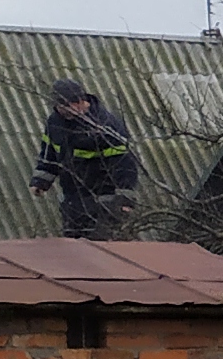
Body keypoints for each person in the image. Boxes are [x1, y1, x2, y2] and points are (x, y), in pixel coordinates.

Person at [30, 77, 141, 239]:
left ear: (82, 101)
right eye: (61, 106)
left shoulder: (106, 126)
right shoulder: (55, 123)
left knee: (100, 250)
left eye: (70, 105)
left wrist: (124, 201)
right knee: (74, 250)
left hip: (103, 201)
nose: (67, 110)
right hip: (73, 200)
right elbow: (49, 154)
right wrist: (40, 182)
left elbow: (124, 165)